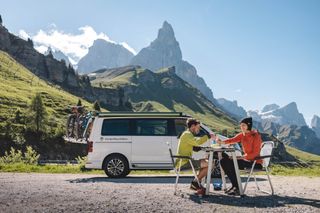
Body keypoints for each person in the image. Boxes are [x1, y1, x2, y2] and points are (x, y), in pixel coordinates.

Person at [216, 117, 263, 196]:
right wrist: (221, 142)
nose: (241, 127)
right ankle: (236, 186)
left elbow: (255, 153)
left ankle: (236, 187)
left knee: (231, 161)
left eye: (243, 125)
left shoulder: (256, 136)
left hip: (255, 163)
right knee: (224, 161)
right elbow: (231, 140)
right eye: (241, 125)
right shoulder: (242, 135)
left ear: (249, 125)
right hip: (246, 161)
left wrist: (241, 157)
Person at [176, 118, 214, 190]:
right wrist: (208, 136)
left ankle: (197, 183)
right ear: (193, 126)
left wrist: (200, 148)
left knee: (205, 161)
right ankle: (195, 182)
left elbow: (193, 146)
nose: (199, 129)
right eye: (198, 127)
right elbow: (197, 142)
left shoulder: (187, 134)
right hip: (184, 162)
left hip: (184, 161)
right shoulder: (187, 134)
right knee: (210, 164)